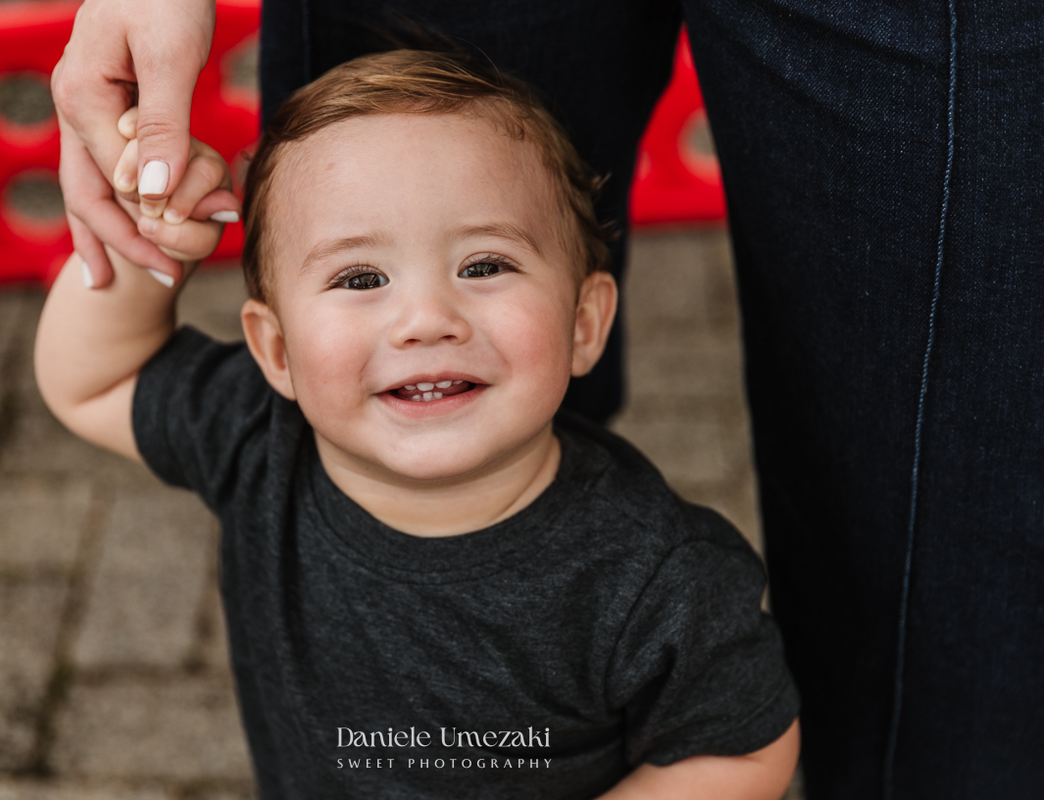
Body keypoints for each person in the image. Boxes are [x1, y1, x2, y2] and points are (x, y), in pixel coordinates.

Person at [51, 3, 1044, 798]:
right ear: (269, 344)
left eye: (484, 263)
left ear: (584, 318)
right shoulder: (258, 444)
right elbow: (92, 378)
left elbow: (747, 742)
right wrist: (151, 247)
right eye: (360, 279)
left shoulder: (656, 573)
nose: (426, 317)